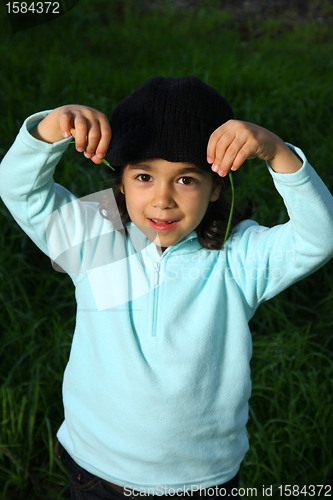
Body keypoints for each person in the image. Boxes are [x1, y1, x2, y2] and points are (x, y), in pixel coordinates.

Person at [0, 76, 332, 500]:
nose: (162, 199)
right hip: (98, 471)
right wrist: (50, 129)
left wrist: (278, 152)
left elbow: (318, 236)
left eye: (186, 180)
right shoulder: (94, 235)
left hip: (201, 479)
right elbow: (19, 189)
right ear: (119, 180)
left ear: (216, 187)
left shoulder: (238, 256)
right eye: (143, 176)